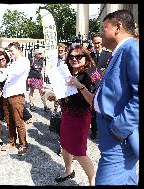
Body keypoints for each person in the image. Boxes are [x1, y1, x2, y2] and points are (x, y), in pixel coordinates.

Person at [94, 10, 139, 185]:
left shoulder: (132, 49)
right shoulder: (121, 51)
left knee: (107, 181)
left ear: (117, 27)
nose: (100, 34)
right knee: (126, 178)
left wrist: (119, 128)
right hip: (113, 132)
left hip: (118, 135)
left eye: (104, 28)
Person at [48, 45, 102, 185]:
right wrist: (55, 96)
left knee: (78, 152)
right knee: (65, 145)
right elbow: (64, 93)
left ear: (86, 57)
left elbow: (93, 101)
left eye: (79, 57)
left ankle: (92, 180)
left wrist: (80, 86)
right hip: (66, 114)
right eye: (71, 57)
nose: (74, 59)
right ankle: (68, 170)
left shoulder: (91, 73)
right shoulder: (66, 72)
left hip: (80, 117)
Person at [0, 42, 30, 156]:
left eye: (12, 51)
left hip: (16, 96)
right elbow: (2, 78)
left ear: (19, 50)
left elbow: (14, 73)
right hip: (6, 96)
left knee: (18, 121)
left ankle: (23, 144)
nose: (10, 53)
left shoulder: (24, 61)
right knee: (9, 121)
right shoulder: (12, 63)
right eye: (9, 51)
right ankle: (11, 142)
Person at [89, 34, 112, 140]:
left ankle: (104, 130)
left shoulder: (108, 55)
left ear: (102, 43)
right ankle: (94, 130)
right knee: (93, 110)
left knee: (104, 109)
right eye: (95, 43)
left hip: (104, 86)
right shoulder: (89, 55)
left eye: (99, 43)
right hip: (92, 86)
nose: (97, 45)